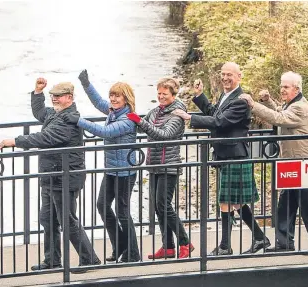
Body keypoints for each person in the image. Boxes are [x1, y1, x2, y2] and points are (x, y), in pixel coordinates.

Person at [0, 78, 100, 272]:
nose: (54, 98)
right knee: (48, 218)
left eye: (58, 96)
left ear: (69, 98)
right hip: (52, 175)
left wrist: (15, 140)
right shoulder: (57, 113)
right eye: (52, 95)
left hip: (66, 176)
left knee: (67, 219)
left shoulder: (70, 118)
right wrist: (38, 92)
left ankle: (90, 259)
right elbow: (40, 112)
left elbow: (46, 137)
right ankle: (52, 260)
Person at [172, 62, 271, 255]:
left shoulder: (241, 100)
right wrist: (200, 96)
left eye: (229, 75)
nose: (225, 78)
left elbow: (220, 122)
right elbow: (214, 113)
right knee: (236, 203)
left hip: (235, 154)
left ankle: (226, 246)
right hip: (227, 154)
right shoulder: (227, 96)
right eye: (223, 74)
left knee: (227, 201)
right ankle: (260, 238)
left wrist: (189, 117)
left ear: (239, 76)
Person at [240, 71, 308, 251]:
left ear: (297, 89)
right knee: (285, 204)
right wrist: (268, 101)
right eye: (281, 86)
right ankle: (284, 242)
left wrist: (253, 104)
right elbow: (280, 111)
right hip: (291, 162)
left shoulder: (299, 107)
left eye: (286, 87)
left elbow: (280, 118)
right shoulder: (292, 104)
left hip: (303, 163)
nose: (282, 89)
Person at [61, 70, 140, 263]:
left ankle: (133, 252)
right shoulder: (113, 112)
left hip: (125, 171)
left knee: (122, 211)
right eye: (111, 95)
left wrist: (79, 121)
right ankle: (120, 244)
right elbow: (98, 102)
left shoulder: (128, 118)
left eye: (117, 96)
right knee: (102, 205)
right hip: (112, 169)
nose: (113, 99)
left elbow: (105, 132)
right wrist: (86, 84)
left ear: (126, 98)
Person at [126, 77, 194, 259]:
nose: (161, 97)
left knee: (164, 205)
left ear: (173, 95)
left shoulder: (177, 115)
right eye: (159, 93)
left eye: (164, 94)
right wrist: (128, 116)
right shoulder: (156, 111)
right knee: (157, 207)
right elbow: (143, 128)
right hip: (154, 164)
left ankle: (185, 242)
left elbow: (164, 135)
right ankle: (168, 247)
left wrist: (140, 122)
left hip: (169, 165)